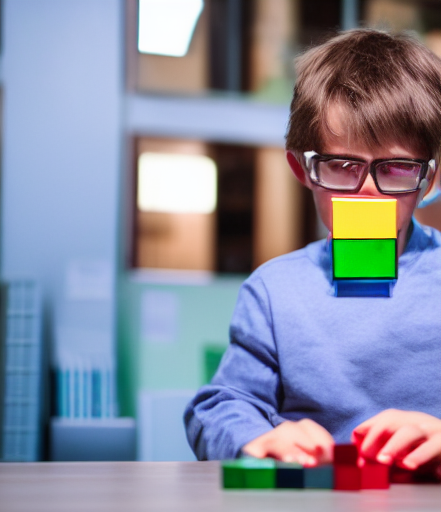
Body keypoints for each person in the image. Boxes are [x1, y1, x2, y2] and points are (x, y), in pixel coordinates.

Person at [184, 28, 441, 480]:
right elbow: (220, 406)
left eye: (397, 167)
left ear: (430, 181)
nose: (366, 192)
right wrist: (255, 439)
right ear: (302, 170)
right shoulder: (273, 291)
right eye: (342, 166)